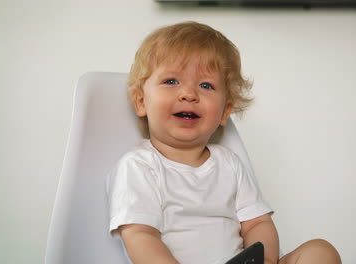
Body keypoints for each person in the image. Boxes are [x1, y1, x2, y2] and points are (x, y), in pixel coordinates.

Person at [106, 21, 342, 264]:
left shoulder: (229, 163)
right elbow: (140, 235)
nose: (189, 94)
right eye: (171, 81)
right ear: (141, 102)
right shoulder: (139, 166)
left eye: (206, 85)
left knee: (320, 252)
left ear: (224, 112)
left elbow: (257, 224)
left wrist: (268, 260)